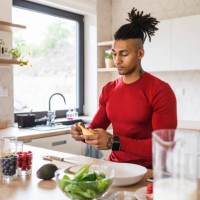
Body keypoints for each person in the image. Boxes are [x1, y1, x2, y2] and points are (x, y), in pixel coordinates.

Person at [70, 7, 177, 168]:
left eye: (124, 54)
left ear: (140, 54)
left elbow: (164, 145)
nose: (117, 60)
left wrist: (114, 142)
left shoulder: (160, 90)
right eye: (114, 53)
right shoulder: (109, 89)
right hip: (115, 168)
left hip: (149, 172)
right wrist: (83, 132)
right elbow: (96, 127)